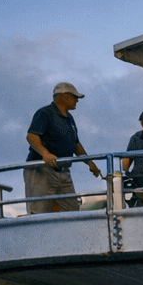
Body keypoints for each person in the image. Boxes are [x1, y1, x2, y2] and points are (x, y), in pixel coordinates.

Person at [25, 82, 102, 214]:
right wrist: (45, 153)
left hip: (63, 170)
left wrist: (89, 162)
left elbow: (76, 144)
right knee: (39, 211)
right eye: (74, 96)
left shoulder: (69, 119)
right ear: (64, 96)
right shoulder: (45, 113)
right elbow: (31, 136)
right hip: (42, 170)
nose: (77, 100)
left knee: (71, 209)